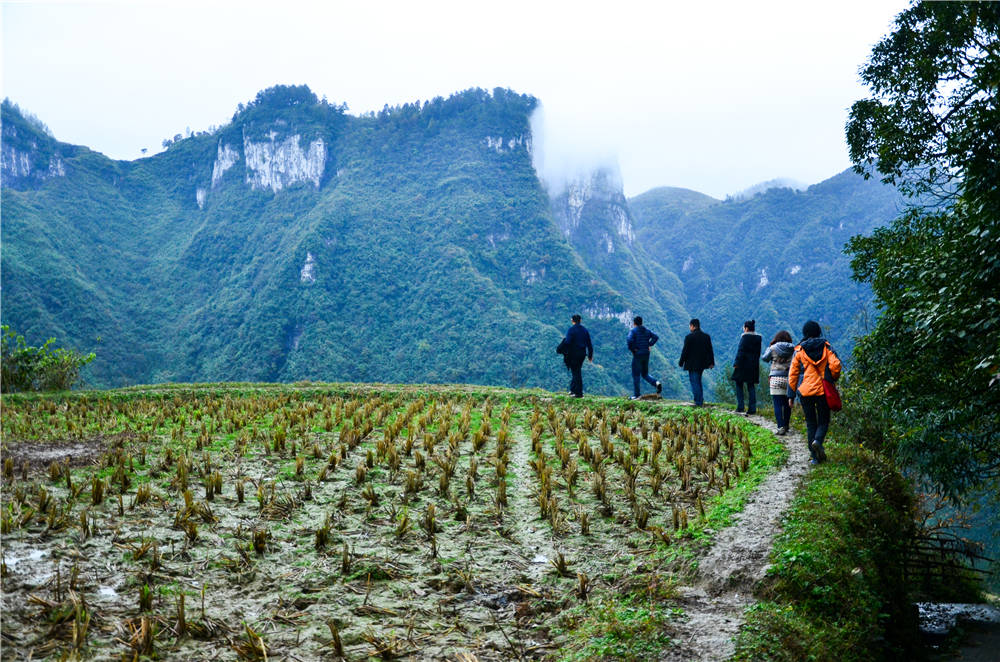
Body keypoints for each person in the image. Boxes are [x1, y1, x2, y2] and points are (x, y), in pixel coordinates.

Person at [787, 320, 842, 464]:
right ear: (818, 331)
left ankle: (814, 457)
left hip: (805, 392)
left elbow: (793, 374)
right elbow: (836, 365)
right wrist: (831, 378)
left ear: (805, 333)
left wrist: (791, 395)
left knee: (811, 423)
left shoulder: (799, 350)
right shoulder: (826, 347)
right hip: (823, 391)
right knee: (823, 420)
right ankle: (817, 441)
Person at [762, 330, 795, 434]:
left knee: (777, 404)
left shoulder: (773, 348)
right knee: (787, 404)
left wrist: (769, 349)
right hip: (789, 379)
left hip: (775, 379)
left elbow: (764, 358)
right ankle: (786, 426)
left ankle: (780, 427)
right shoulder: (794, 349)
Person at [678, 318, 715, 406]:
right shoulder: (706, 337)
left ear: (692, 326)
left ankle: (698, 402)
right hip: (702, 363)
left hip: (692, 364)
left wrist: (681, 362)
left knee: (694, 382)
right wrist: (711, 362)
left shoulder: (689, 337)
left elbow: (685, 351)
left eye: (690, 326)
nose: (689, 328)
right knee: (698, 381)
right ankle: (699, 400)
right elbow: (710, 350)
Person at [627, 316, 662, 399]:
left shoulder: (633, 331)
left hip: (638, 354)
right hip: (646, 354)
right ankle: (656, 383)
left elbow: (629, 340)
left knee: (636, 375)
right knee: (645, 374)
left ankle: (637, 395)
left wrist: (633, 349)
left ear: (634, 323)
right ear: (642, 323)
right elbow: (656, 337)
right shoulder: (647, 331)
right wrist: (649, 344)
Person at [731, 319, 762, 415]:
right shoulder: (758, 339)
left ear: (746, 328)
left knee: (738, 383)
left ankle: (740, 406)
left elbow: (741, 351)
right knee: (751, 386)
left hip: (742, 365)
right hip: (753, 365)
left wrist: (736, 363)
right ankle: (752, 408)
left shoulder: (744, 338)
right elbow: (758, 353)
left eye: (744, 328)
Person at [558, 314, 593, 398]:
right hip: (582, 354)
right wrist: (590, 355)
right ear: (580, 320)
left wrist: (563, 350)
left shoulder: (571, 330)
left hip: (574, 354)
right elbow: (589, 343)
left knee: (576, 372)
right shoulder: (585, 330)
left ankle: (579, 393)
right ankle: (573, 390)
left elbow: (568, 342)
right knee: (576, 370)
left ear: (572, 321)